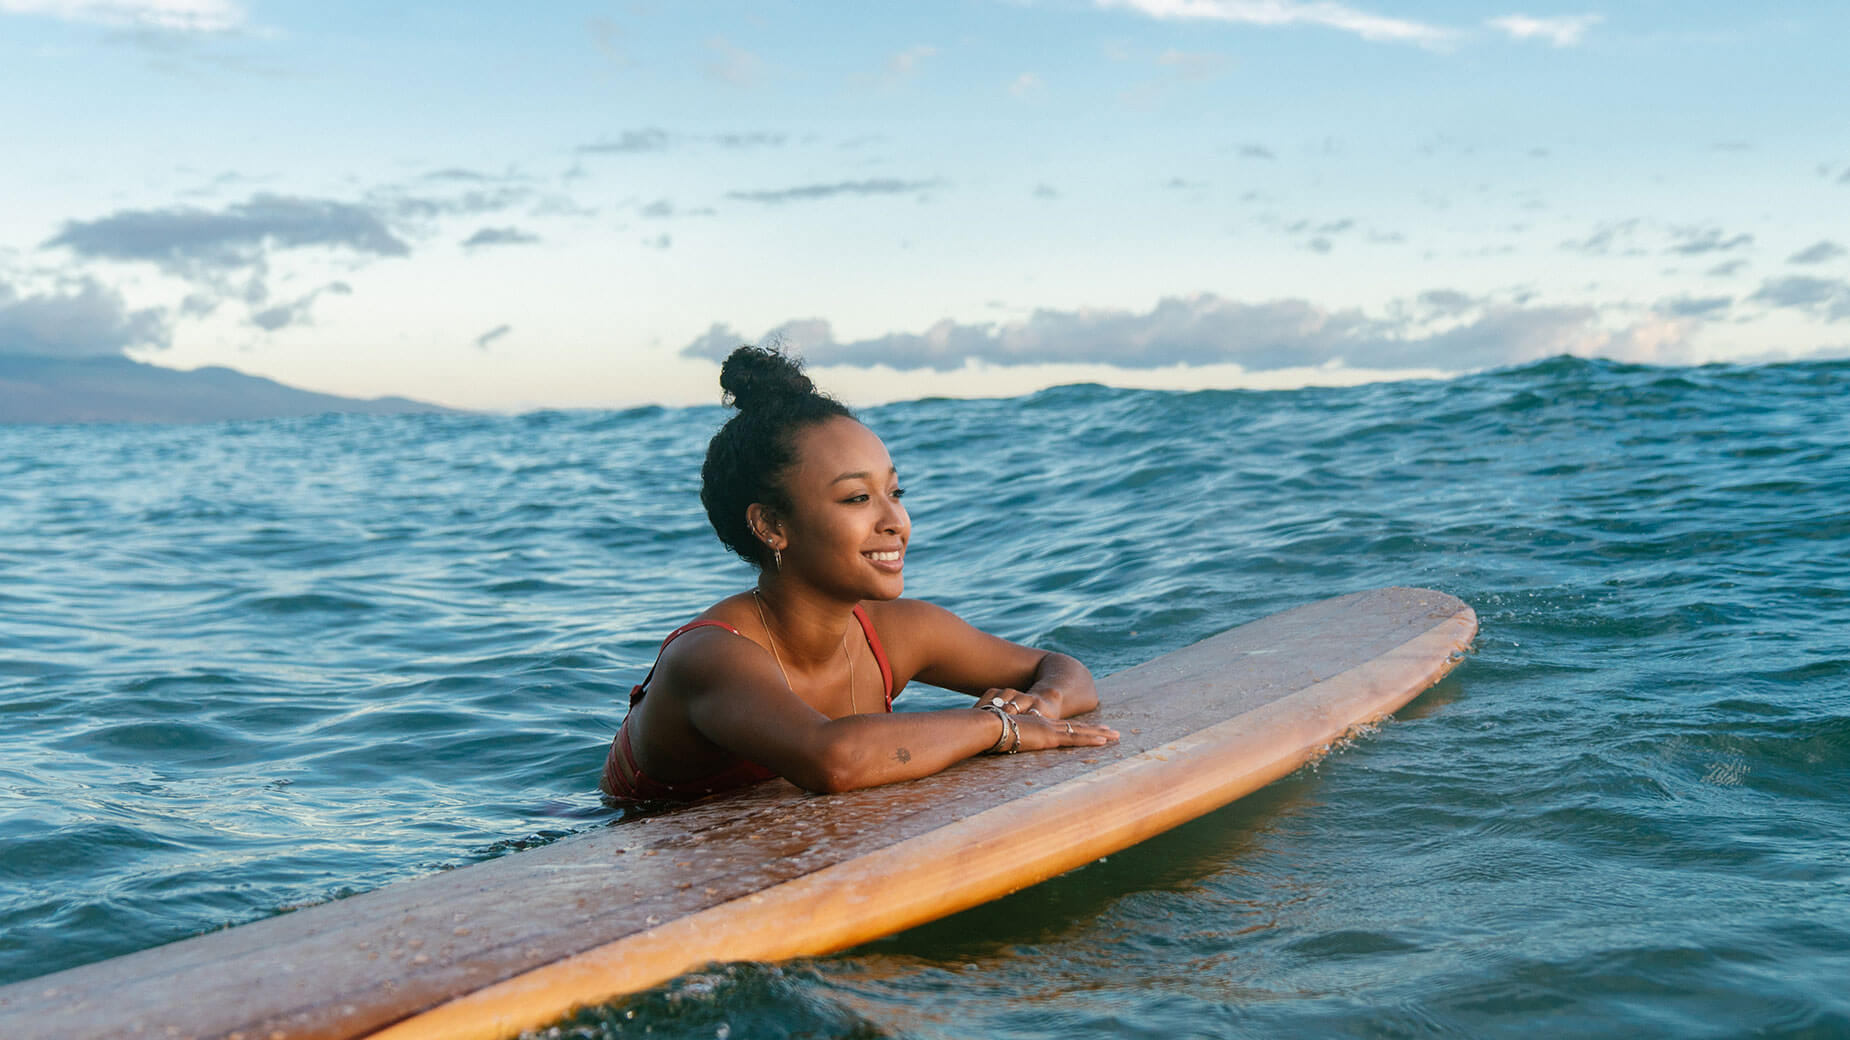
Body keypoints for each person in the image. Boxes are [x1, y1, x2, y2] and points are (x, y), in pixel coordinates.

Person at [601, 345, 1118, 802]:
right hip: (624, 863)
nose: (895, 522)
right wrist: (1001, 728)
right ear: (772, 525)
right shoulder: (709, 656)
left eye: (896, 493)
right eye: (857, 498)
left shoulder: (894, 631)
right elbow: (834, 761)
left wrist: (1041, 706)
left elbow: (1064, 670)